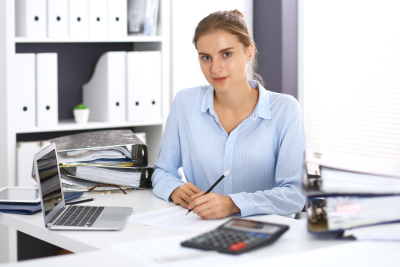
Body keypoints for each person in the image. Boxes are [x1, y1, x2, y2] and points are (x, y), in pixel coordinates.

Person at [151, 10, 306, 219]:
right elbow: (162, 172)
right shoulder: (185, 103)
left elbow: (294, 195)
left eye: (226, 54)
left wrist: (233, 204)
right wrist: (174, 189)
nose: (215, 68)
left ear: (249, 52)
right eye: (206, 57)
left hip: (264, 235)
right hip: (200, 229)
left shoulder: (285, 110)